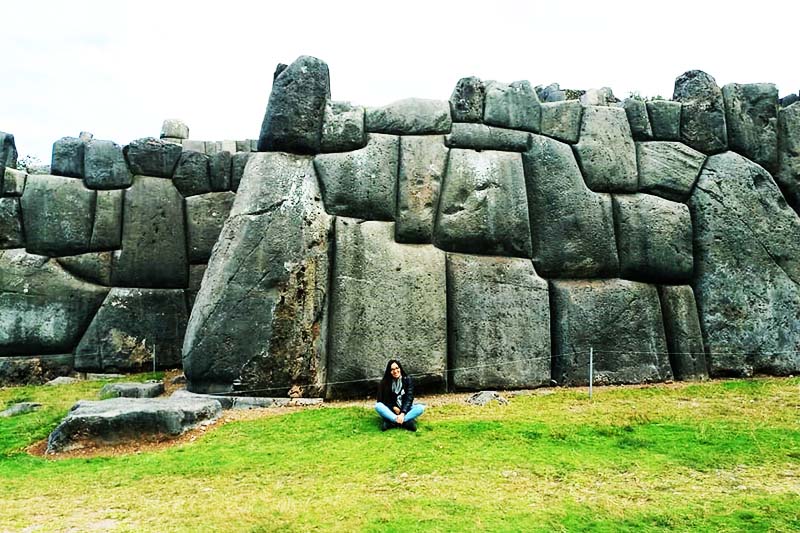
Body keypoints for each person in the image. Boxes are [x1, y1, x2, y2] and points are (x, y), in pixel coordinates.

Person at [375, 359, 425, 432]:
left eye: (397, 368)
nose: (395, 371)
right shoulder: (385, 382)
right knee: (378, 406)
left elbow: (409, 398)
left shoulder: (407, 380)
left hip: (404, 409)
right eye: (392, 369)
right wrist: (393, 407)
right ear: (389, 372)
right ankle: (405, 422)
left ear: (400, 368)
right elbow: (382, 400)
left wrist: (402, 412)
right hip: (391, 411)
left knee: (420, 408)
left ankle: (393, 423)